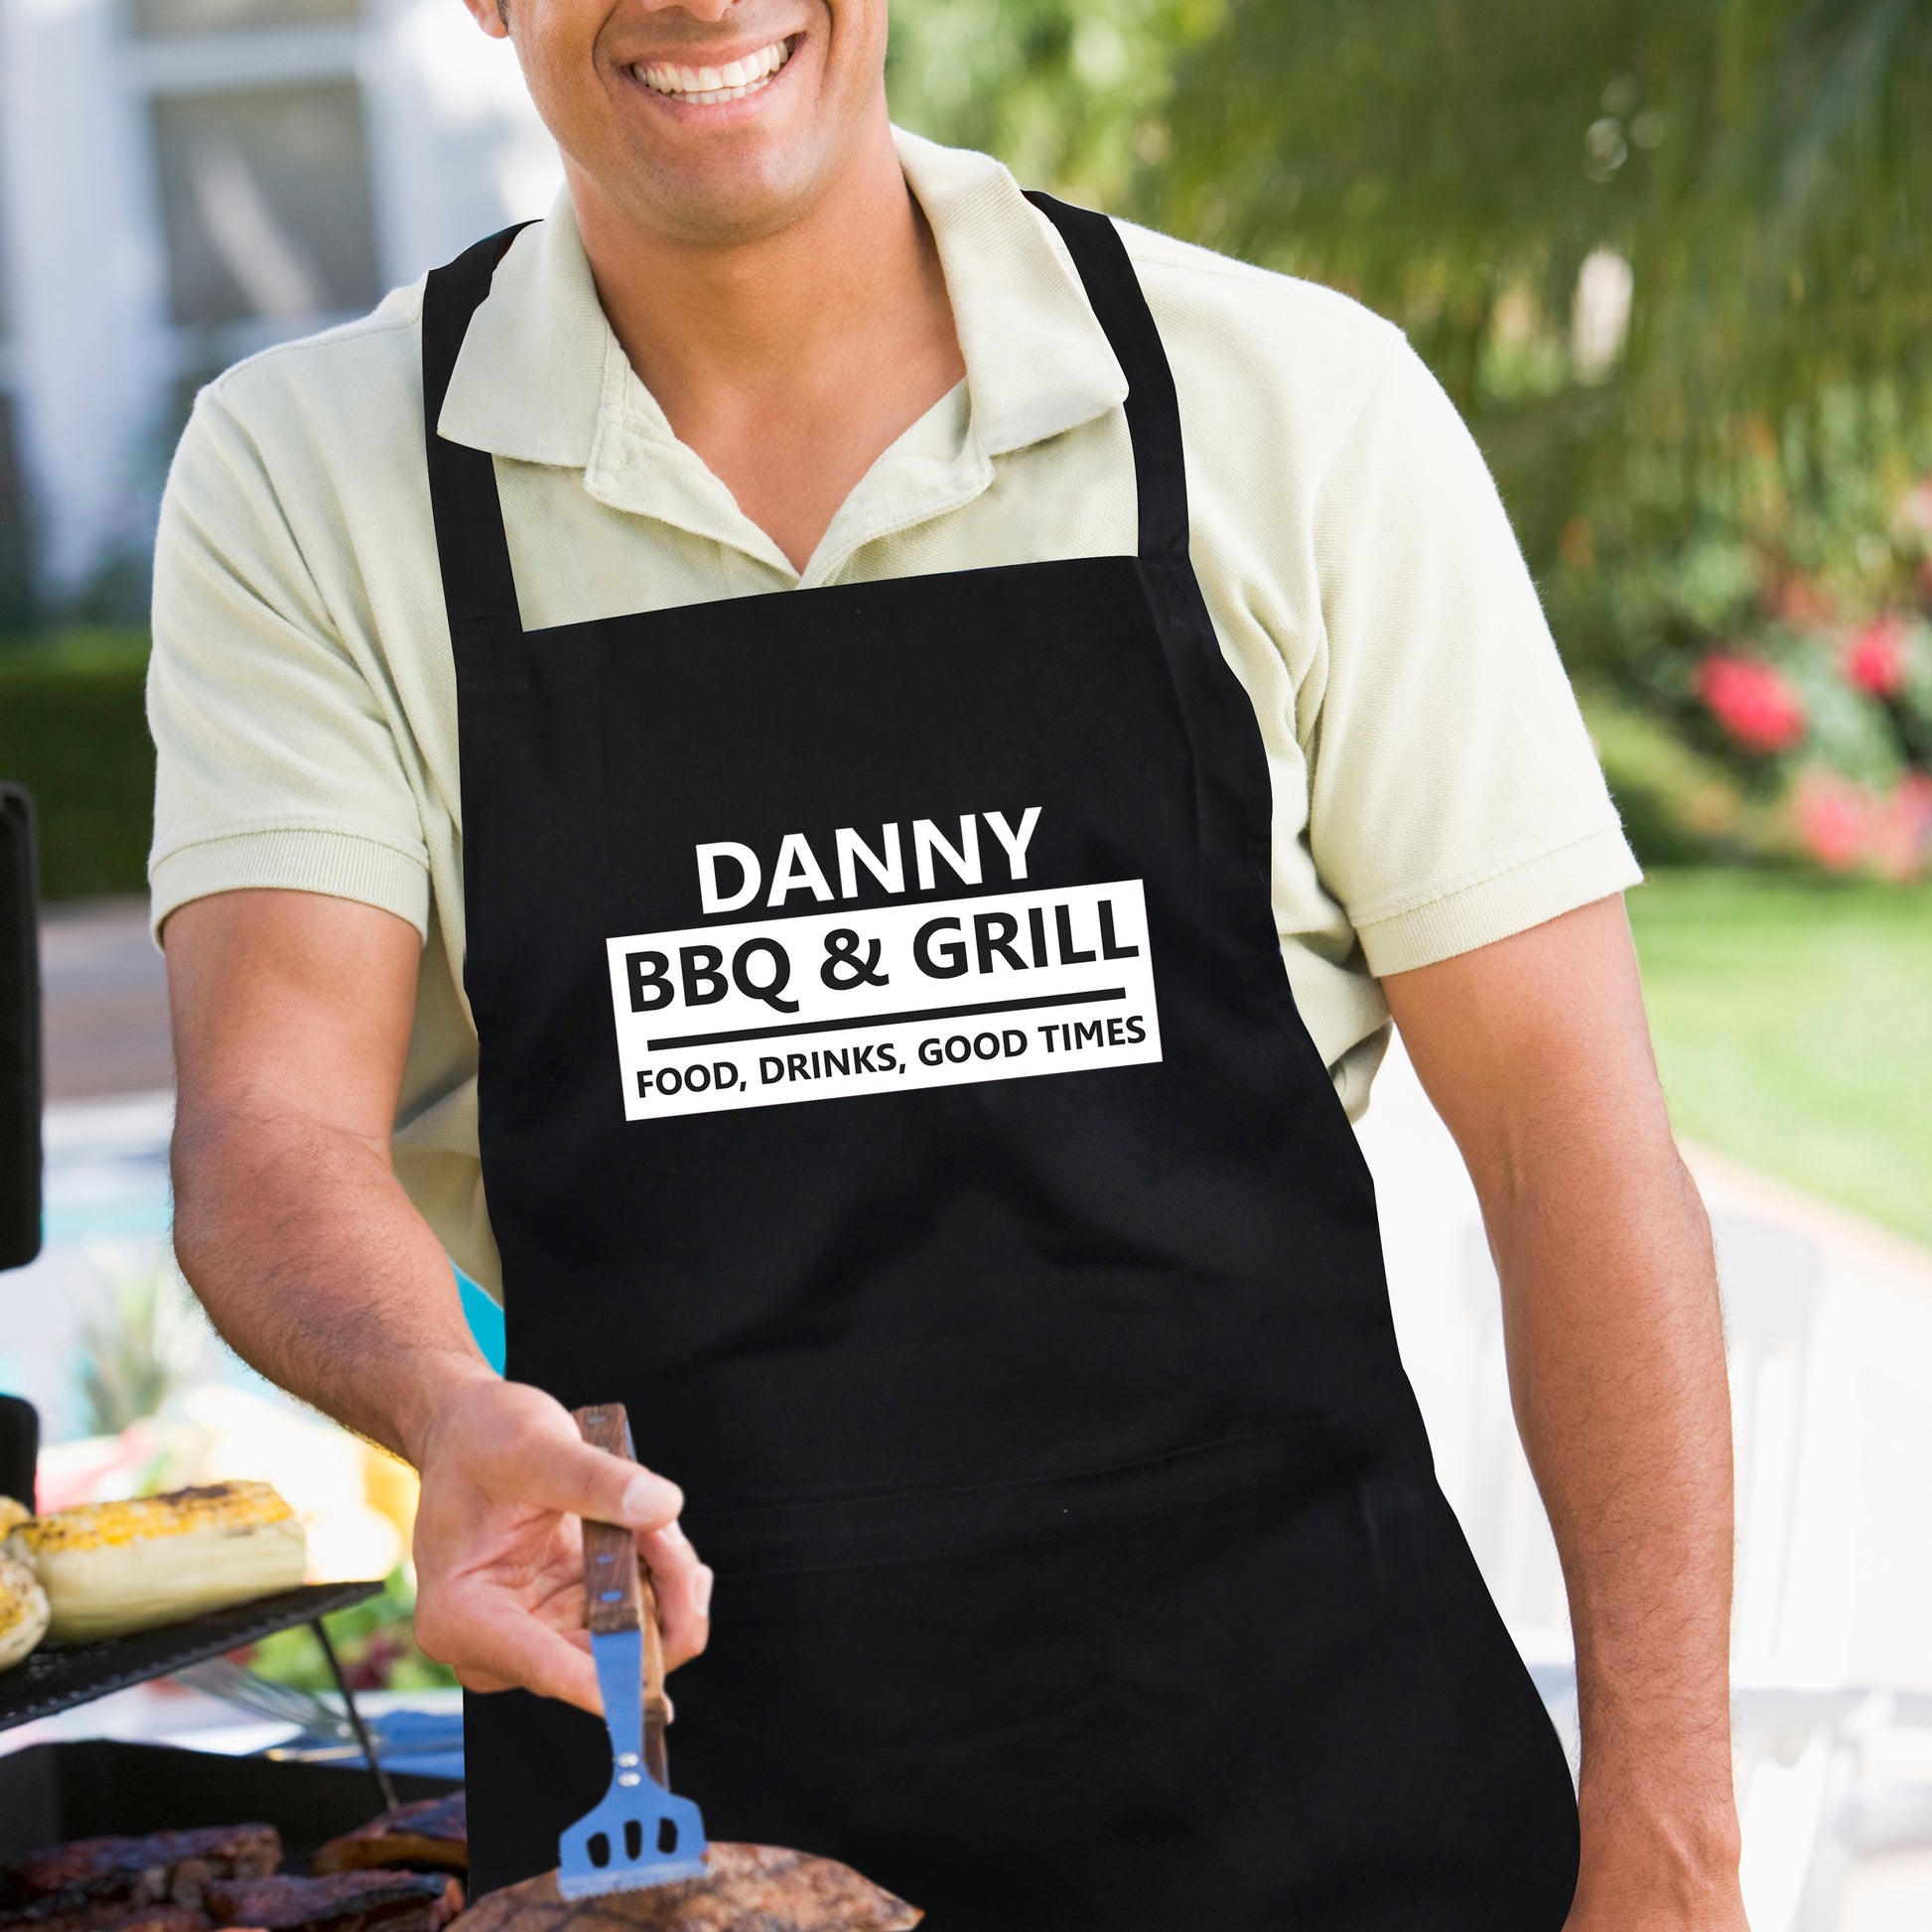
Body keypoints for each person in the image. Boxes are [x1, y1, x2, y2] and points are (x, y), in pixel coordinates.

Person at [149, 2, 1747, 1926]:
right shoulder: (311, 477)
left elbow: (1574, 1149)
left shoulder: (1291, 405)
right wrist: (443, 1403)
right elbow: (265, 1124)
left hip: (1338, 1818)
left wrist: (1669, 1834)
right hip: (679, 1850)